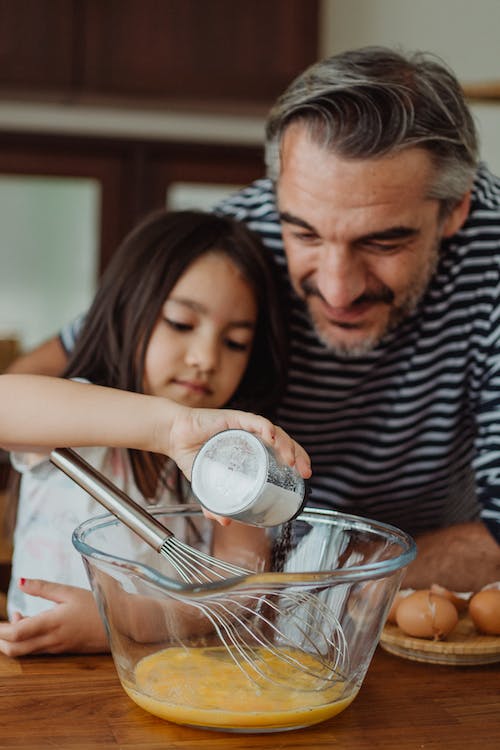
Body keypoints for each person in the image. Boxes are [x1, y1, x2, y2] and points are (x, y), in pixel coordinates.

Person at [8, 47, 500, 592]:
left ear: (455, 207)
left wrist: (310, 587)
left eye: (383, 241)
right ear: (279, 191)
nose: (337, 290)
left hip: (421, 579)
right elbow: (45, 376)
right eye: (305, 234)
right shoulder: (224, 257)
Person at [0, 209, 310, 656]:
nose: (205, 357)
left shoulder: (232, 463)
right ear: (127, 312)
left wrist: (132, 619)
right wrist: (169, 428)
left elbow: (241, 590)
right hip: (47, 680)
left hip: (172, 676)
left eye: (236, 342)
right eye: (182, 324)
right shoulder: (81, 415)